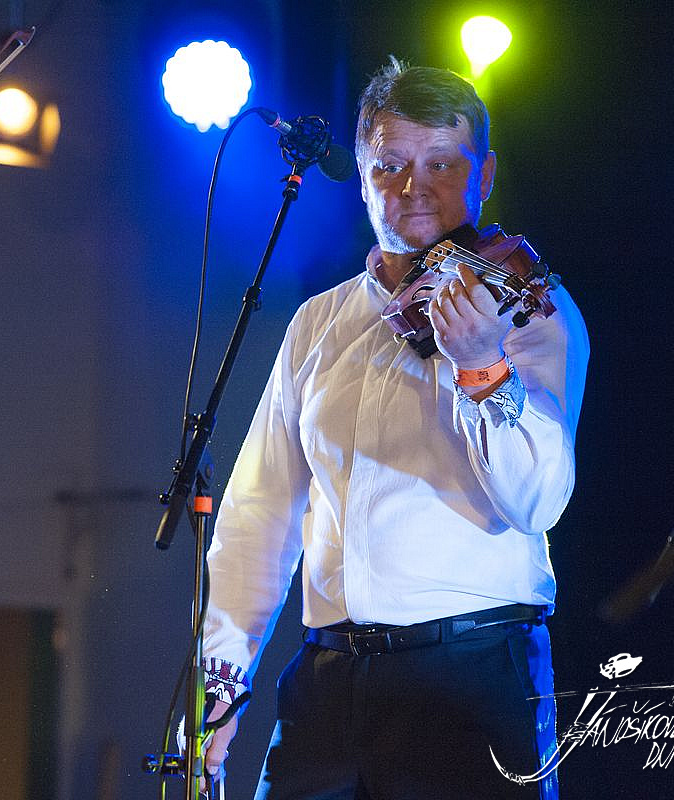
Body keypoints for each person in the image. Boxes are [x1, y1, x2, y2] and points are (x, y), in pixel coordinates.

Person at [198, 58, 588, 799]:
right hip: (328, 680)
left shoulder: (529, 312)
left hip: (471, 676)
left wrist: (482, 367)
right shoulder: (318, 322)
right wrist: (222, 677)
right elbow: (259, 512)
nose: (414, 187)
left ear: (484, 174)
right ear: (364, 175)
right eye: (390, 165)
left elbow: (538, 501)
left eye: (442, 163)